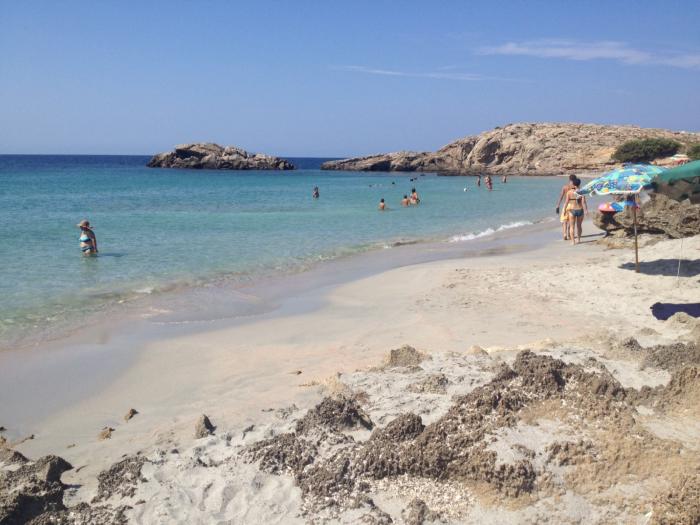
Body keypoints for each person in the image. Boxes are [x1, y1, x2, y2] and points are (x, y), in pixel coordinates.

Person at [555, 174, 577, 240]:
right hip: (573, 204)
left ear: (569, 179)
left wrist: (557, 205)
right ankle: (569, 234)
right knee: (571, 220)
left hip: (566, 204)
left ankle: (564, 234)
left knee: (564, 220)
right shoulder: (576, 187)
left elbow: (561, 197)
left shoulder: (565, 187)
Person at [566, 178, 588, 245]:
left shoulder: (569, 192)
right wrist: (586, 210)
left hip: (572, 210)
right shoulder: (582, 192)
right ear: (579, 184)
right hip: (580, 210)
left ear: (573, 184)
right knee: (579, 226)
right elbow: (583, 202)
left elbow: (566, 202)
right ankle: (578, 239)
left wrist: (564, 210)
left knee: (572, 226)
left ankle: (573, 241)